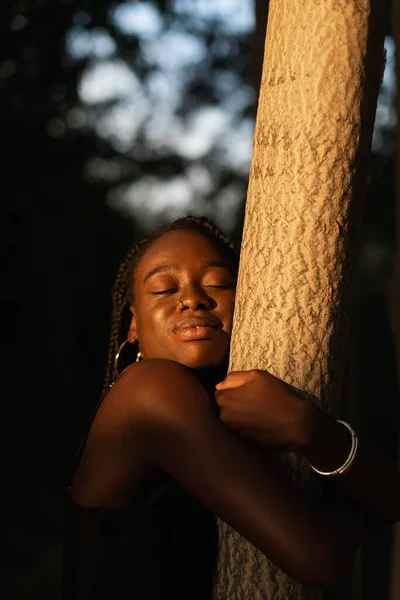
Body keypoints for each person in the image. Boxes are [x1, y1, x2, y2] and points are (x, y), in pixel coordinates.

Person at [62, 215, 400, 600]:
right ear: (133, 326)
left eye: (216, 283)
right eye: (163, 289)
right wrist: (311, 430)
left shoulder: (208, 411)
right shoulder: (149, 392)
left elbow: (391, 500)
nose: (192, 298)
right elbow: (319, 559)